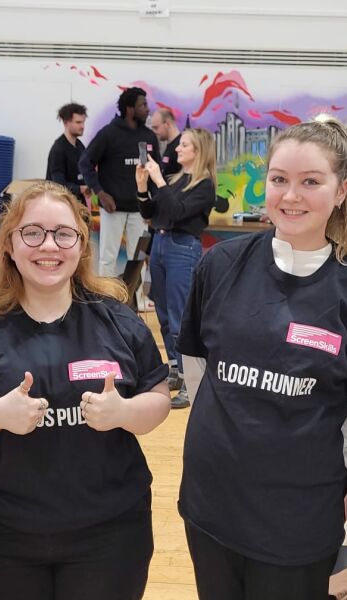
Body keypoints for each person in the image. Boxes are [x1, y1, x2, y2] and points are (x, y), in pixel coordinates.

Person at [177, 119, 347, 600]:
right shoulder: (221, 264)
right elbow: (195, 363)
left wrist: (318, 473)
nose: (290, 195)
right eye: (279, 179)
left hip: (298, 511)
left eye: (310, 181)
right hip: (212, 497)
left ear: (341, 191)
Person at [0, 180, 171, 600]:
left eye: (64, 234)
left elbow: (158, 400)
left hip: (108, 534)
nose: (49, 246)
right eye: (33, 232)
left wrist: (123, 414)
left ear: (81, 245)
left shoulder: (118, 321)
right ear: (9, 243)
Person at [136, 128, 216, 409]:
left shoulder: (204, 186)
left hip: (182, 248)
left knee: (180, 315)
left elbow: (179, 213)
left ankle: (189, 380)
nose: (177, 149)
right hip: (160, 244)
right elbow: (151, 213)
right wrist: (143, 187)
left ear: (199, 151)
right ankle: (175, 369)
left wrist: (158, 180)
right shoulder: (175, 180)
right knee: (162, 311)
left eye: (184, 145)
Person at [79, 87, 161, 276]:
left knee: (138, 257)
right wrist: (100, 192)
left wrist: (153, 205)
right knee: (108, 257)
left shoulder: (148, 137)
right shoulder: (108, 134)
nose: (147, 109)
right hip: (112, 209)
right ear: (130, 109)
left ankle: (136, 302)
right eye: (143, 105)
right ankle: (105, 302)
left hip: (139, 211)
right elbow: (85, 162)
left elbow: (155, 174)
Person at [47, 102, 89, 201]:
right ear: (66, 123)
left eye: (83, 122)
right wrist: (80, 189)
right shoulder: (58, 149)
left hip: (78, 203)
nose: (82, 126)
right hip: (61, 204)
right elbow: (58, 185)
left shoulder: (80, 146)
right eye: (78, 122)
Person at [150, 108, 183, 178]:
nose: (154, 132)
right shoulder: (169, 145)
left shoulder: (181, 145)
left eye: (156, 128)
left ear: (167, 124)